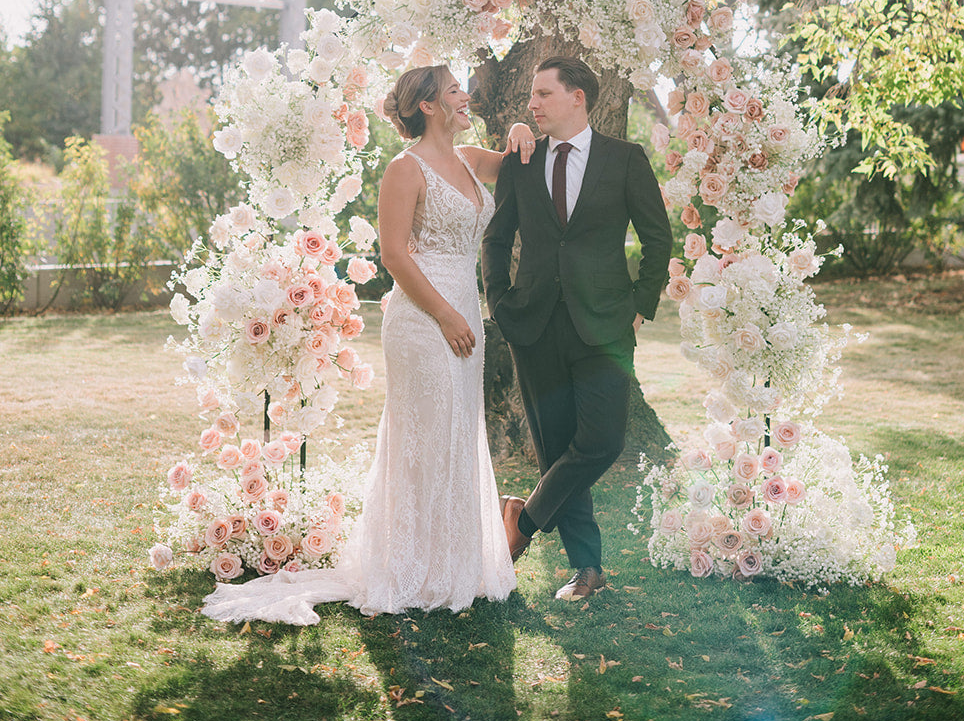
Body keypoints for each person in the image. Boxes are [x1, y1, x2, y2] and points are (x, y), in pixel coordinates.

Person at [201, 64, 534, 624]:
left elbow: (521, 164)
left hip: (465, 310)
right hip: (425, 316)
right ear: (428, 105)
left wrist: (523, 126)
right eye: (454, 90)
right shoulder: (405, 169)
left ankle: (452, 562)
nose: (465, 96)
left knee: (457, 428)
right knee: (423, 432)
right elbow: (396, 256)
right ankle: (407, 566)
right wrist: (447, 315)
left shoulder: (473, 161)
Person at [482, 56, 673, 601]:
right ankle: (587, 569)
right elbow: (497, 239)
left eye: (543, 94)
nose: (533, 104)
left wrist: (641, 301)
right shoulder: (522, 162)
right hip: (534, 325)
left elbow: (657, 238)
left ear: (577, 98)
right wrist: (499, 299)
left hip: (606, 325)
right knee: (555, 447)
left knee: (602, 441)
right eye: (531, 96)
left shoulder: (626, 159)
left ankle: (522, 520)